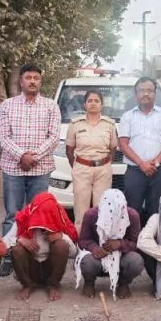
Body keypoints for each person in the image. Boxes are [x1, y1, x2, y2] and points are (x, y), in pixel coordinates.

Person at [0, 63, 62, 236]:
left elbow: (54, 136)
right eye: (28, 78)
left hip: (40, 169)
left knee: (38, 213)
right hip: (13, 169)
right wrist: (22, 156)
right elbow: (3, 137)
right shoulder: (7, 105)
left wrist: (33, 158)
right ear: (21, 81)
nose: (32, 81)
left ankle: (34, 256)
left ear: (40, 81)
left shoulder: (51, 106)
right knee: (13, 214)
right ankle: (10, 254)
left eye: (36, 78)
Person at [118, 77, 161, 223]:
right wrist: (141, 163)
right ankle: (133, 243)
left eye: (149, 90)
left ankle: (155, 242)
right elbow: (123, 144)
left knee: (157, 210)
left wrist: (156, 162)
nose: (146, 94)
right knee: (132, 210)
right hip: (135, 171)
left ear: (155, 93)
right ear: (136, 94)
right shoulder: (127, 117)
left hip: (159, 170)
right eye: (141, 90)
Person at [7, 193, 78, 301]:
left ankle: (53, 285)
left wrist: (61, 236)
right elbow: (3, 244)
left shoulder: (59, 219)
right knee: (17, 249)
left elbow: (74, 253)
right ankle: (27, 285)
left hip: (49, 267)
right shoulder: (24, 217)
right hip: (31, 266)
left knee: (61, 245)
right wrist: (20, 240)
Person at [74, 189, 144, 299]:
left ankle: (123, 283)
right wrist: (94, 248)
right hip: (97, 258)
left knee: (136, 261)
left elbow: (137, 244)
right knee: (87, 262)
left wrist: (120, 244)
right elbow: (83, 240)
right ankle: (89, 282)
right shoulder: (91, 214)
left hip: (121, 257)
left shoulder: (132, 216)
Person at [65, 90, 118, 231]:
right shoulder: (75, 124)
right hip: (82, 169)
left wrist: (104, 164)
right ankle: (81, 245)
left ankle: (100, 243)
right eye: (90, 101)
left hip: (103, 170)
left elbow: (113, 148)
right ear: (84, 104)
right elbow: (69, 150)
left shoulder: (109, 124)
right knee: (80, 211)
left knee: (102, 209)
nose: (93, 103)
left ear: (102, 104)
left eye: (96, 101)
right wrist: (78, 167)